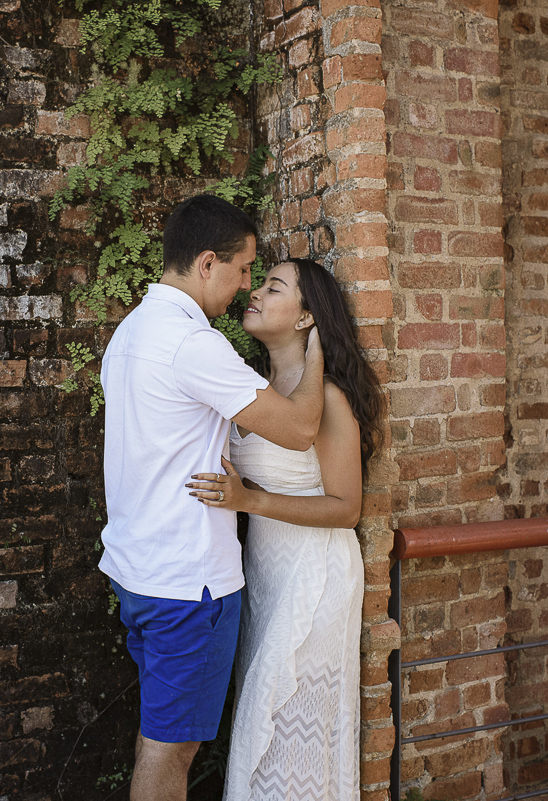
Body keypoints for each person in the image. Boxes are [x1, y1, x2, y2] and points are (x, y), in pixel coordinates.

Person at [99, 196, 328, 801]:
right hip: (187, 587)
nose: (246, 286)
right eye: (244, 269)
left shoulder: (129, 333)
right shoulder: (191, 344)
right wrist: (320, 341)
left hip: (137, 573)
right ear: (206, 264)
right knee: (171, 752)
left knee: (159, 738)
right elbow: (303, 429)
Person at [186, 258, 383, 801]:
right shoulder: (259, 392)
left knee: (290, 725)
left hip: (316, 576)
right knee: (261, 720)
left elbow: (346, 508)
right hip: (266, 575)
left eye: (274, 288)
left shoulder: (332, 399)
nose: (255, 292)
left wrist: (250, 499)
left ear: (305, 319)